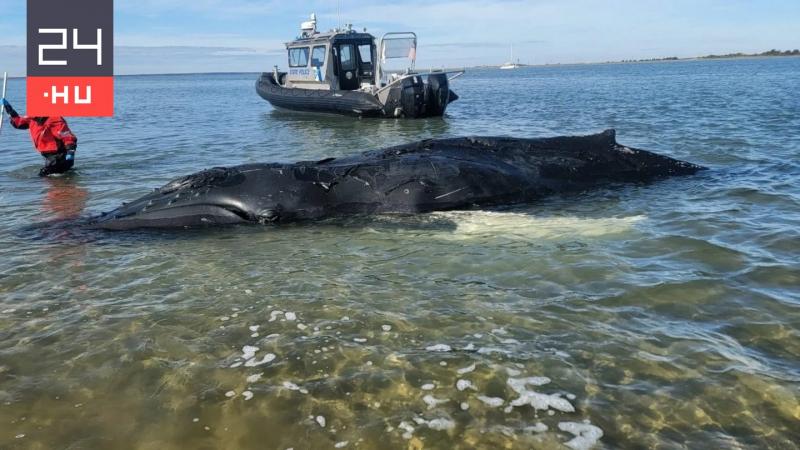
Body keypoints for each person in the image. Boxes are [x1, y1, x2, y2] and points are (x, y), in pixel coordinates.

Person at [2, 99, 78, 177]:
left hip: (59, 155)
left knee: (44, 177)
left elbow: (67, 136)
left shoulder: (54, 119)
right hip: (49, 156)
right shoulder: (32, 118)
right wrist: (9, 109)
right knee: (54, 177)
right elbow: (18, 123)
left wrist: (70, 151)